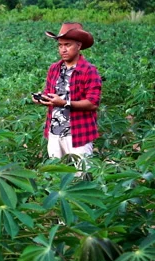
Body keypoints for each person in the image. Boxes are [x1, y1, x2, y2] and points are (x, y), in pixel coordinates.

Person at [32, 22, 102, 166]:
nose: (63, 49)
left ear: (79, 46)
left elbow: (93, 103)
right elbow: (49, 93)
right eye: (60, 45)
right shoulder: (54, 68)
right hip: (54, 132)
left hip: (78, 134)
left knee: (82, 176)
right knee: (56, 175)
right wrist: (42, 98)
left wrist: (65, 103)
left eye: (68, 45)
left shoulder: (89, 70)